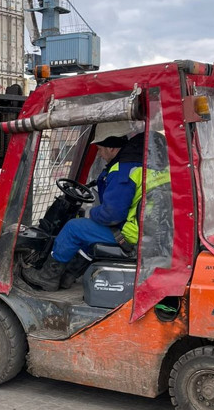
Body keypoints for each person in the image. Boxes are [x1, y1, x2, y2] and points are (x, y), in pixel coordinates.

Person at [23, 125, 145, 291]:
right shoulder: (139, 164)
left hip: (130, 233)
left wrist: (90, 213)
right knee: (85, 232)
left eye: (100, 149)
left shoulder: (122, 171)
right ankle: (68, 277)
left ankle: (47, 277)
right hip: (142, 228)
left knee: (73, 227)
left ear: (110, 148)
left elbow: (112, 214)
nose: (99, 154)